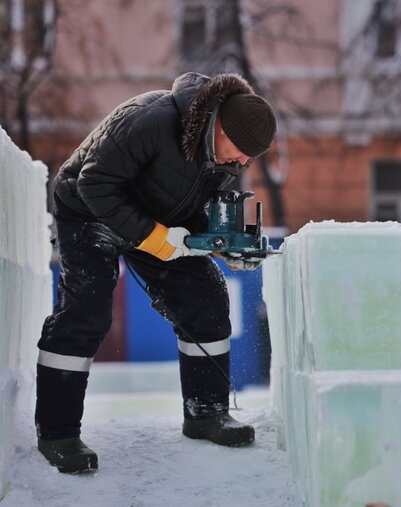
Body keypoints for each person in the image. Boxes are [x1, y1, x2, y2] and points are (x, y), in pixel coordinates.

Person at [36, 72, 277, 474]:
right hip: (86, 208)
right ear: (219, 126)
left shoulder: (219, 153)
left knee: (207, 296)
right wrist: (150, 237)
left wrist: (219, 243)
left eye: (250, 159)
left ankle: (206, 414)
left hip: (154, 218)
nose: (241, 164)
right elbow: (95, 184)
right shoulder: (151, 120)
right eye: (240, 152)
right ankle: (57, 433)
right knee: (89, 308)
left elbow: (187, 206)